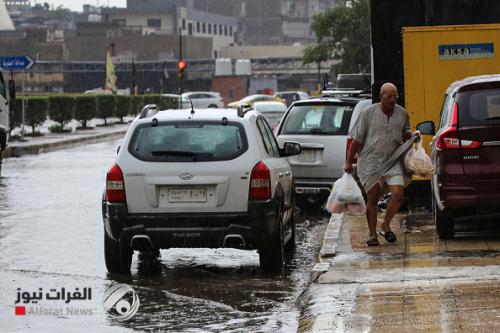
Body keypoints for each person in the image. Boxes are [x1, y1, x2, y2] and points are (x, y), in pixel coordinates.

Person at [344, 82, 416, 246]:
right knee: (373, 198)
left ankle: (385, 225)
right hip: (371, 163)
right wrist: (348, 161)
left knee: (398, 194)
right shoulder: (368, 114)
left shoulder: (402, 113)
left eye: (395, 96)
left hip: (392, 161)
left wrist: (412, 135)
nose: (392, 100)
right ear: (381, 97)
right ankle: (372, 234)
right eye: (388, 97)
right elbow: (357, 140)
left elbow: (405, 131)